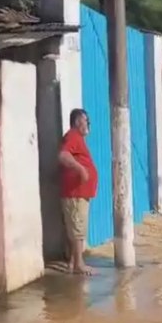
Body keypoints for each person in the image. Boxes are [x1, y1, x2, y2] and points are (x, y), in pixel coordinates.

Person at [59, 109, 98, 275]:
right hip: (75, 193)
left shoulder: (78, 139)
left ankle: (74, 262)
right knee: (77, 228)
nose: (88, 124)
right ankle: (79, 265)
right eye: (85, 120)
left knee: (78, 228)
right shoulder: (73, 136)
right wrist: (81, 169)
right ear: (77, 122)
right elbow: (63, 155)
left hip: (79, 193)